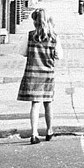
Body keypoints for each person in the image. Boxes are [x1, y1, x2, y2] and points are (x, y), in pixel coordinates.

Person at [17, 8, 59, 144]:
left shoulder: (30, 36)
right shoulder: (54, 37)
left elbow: (23, 52)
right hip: (48, 74)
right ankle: (49, 130)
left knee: (35, 104)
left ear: (35, 22)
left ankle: (34, 133)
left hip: (33, 73)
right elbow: (59, 55)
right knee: (48, 103)